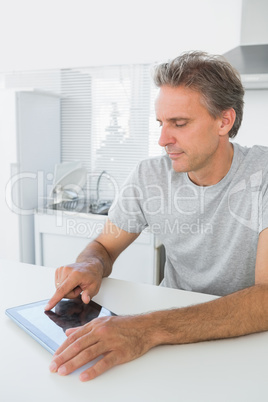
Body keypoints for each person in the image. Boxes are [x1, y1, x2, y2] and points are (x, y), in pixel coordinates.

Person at [46, 51, 268, 382]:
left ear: (224, 121)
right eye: (161, 123)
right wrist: (89, 265)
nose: (163, 139)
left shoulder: (262, 175)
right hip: (170, 337)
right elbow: (104, 248)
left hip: (245, 338)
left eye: (179, 123)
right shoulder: (150, 176)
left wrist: (145, 328)